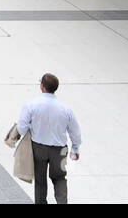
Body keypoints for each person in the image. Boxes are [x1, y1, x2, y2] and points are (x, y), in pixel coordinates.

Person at [16, 72, 82, 204]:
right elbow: (75, 132)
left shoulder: (31, 105)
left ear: (42, 86)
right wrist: (75, 148)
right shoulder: (66, 109)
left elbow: (21, 128)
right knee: (60, 178)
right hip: (60, 150)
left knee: (40, 180)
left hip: (38, 148)